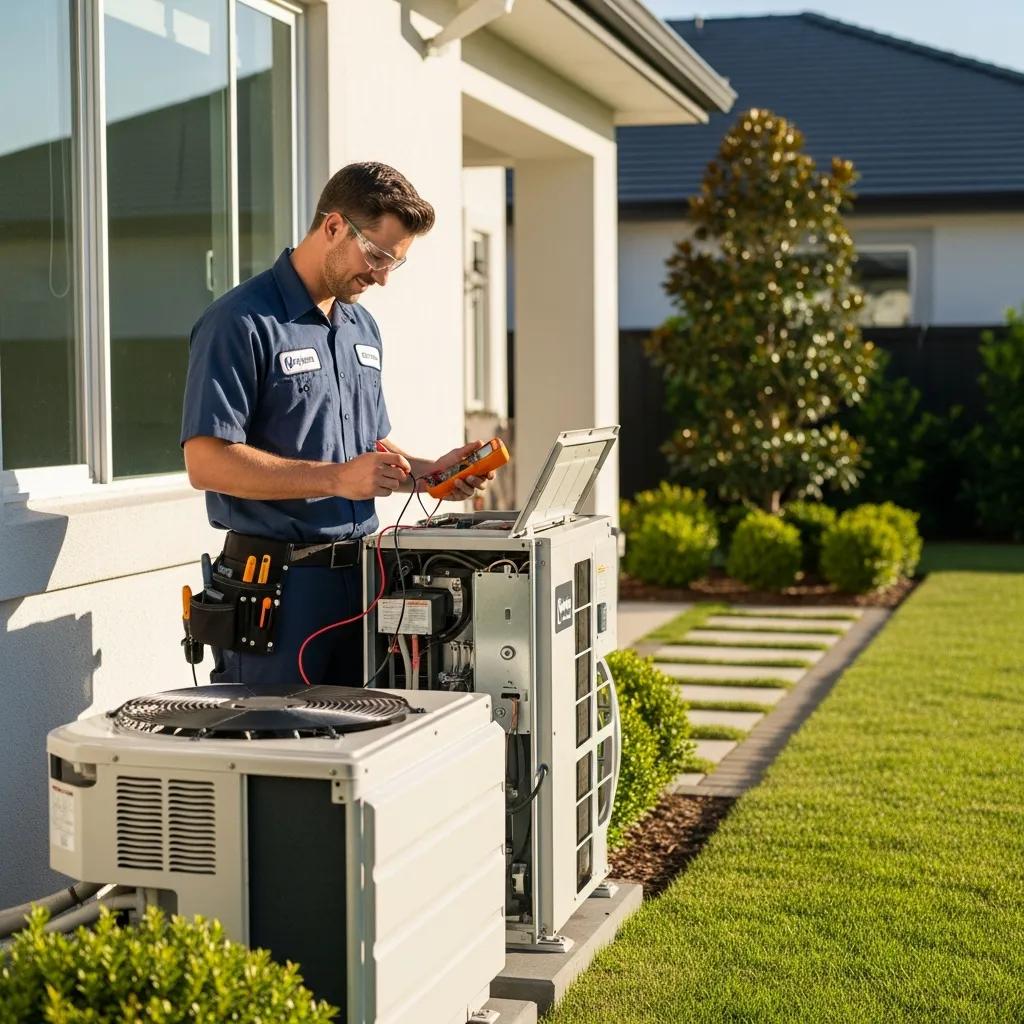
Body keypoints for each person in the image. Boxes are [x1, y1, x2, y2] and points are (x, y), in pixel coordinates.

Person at [180, 162, 492, 688]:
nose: (382, 276)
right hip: (279, 589)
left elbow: (364, 444)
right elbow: (205, 463)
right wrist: (334, 478)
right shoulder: (239, 322)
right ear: (332, 227)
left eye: (397, 263)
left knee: (364, 746)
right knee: (278, 750)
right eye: (377, 255)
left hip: (366, 580)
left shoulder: (361, 326)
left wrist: (426, 473)